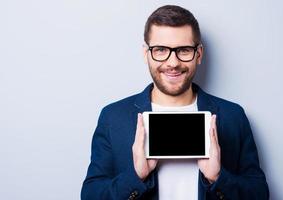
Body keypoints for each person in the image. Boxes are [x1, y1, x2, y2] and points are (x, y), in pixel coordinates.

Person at [81, 5, 269, 200]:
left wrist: (218, 177)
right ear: (146, 54)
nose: (173, 63)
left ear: (199, 54)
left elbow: (260, 194)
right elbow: (90, 195)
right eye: (161, 50)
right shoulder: (113, 118)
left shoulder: (232, 116)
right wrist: (135, 176)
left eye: (184, 50)